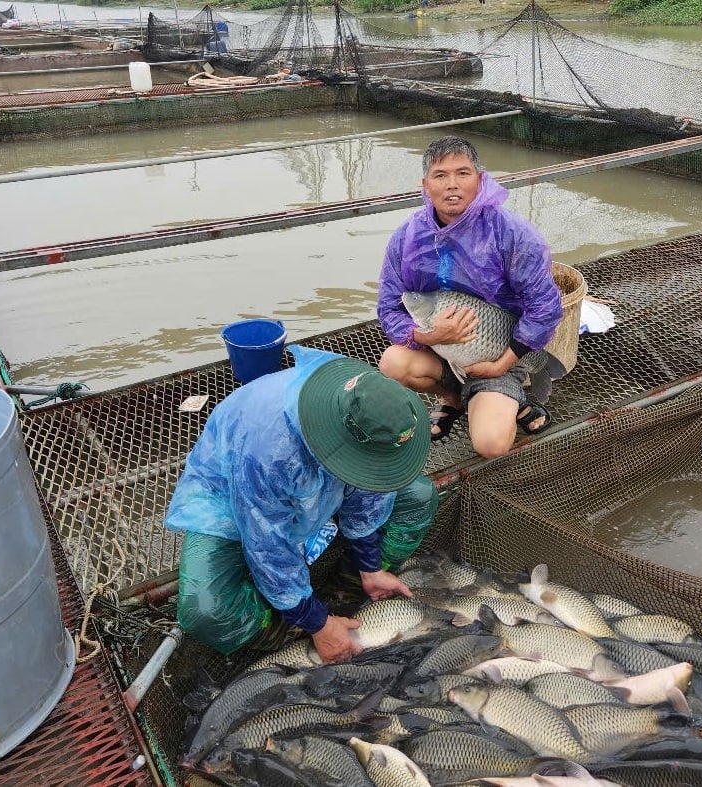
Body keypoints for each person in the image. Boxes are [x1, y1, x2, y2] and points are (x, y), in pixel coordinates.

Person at [164, 344, 438, 662]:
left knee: (418, 496)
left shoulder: (365, 402)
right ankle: (291, 630)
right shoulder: (265, 452)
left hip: (321, 480)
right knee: (205, 610)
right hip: (231, 493)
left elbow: (371, 491)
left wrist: (370, 566)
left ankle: (346, 593)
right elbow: (267, 545)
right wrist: (315, 623)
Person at [377, 136, 563, 459]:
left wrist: (500, 364)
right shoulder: (406, 238)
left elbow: (544, 306)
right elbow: (389, 306)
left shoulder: (511, 233)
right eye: (440, 176)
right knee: (392, 362)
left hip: (500, 354)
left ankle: (513, 395)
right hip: (440, 350)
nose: (452, 185)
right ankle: (453, 397)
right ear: (425, 185)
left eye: (463, 173)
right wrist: (428, 335)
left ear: (480, 179)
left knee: (490, 444)